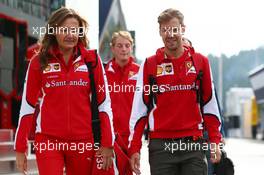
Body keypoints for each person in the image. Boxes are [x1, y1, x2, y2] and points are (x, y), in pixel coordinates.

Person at [14, 7, 115, 175]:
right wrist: (20, 146)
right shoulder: (38, 62)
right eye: (64, 29)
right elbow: (27, 106)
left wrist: (107, 142)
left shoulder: (91, 60)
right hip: (48, 140)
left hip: (83, 141)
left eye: (74, 30)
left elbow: (104, 104)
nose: (70, 34)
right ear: (53, 31)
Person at [129, 8, 222, 175]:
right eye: (164, 30)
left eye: (174, 29)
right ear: (159, 32)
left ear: (183, 29)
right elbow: (140, 110)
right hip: (161, 147)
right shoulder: (149, 65)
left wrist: (215, 140)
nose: (169, 34)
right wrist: (134, 147)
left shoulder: (201, 62)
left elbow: (209, 105)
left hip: (193, 144)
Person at [104, 31, 140, 175]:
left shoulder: (140, 72)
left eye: (127, 45)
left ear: (132, 47)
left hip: (130, 136)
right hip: (108, 135)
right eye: (119, 46)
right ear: (112, 48)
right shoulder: (104, 72)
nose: (123, 49)